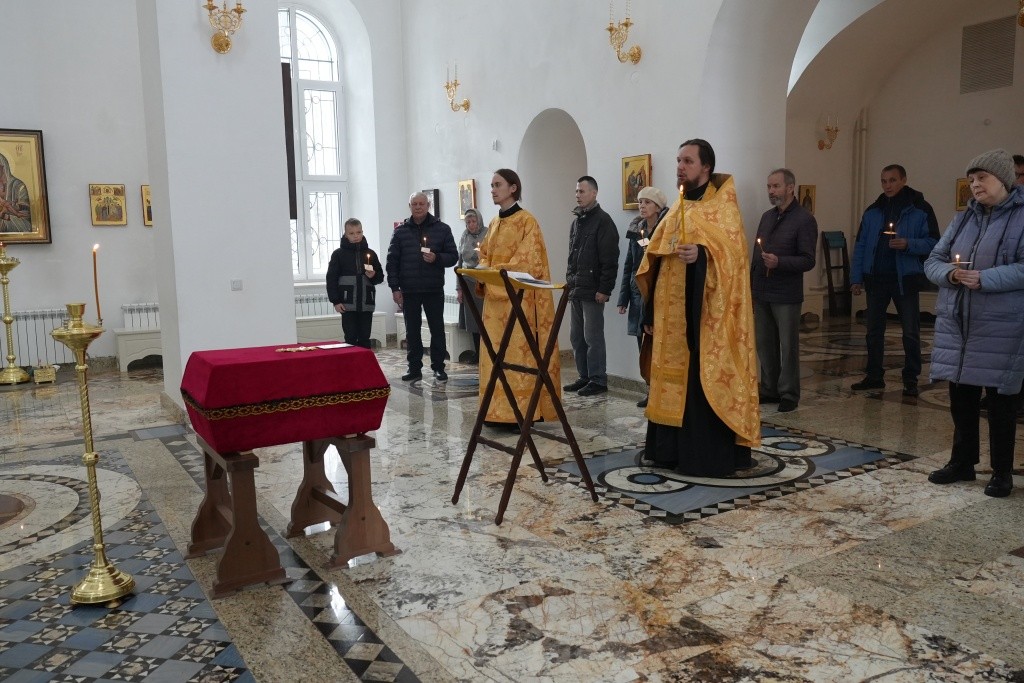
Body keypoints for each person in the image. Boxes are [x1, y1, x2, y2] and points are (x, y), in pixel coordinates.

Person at [635, 139, 760, 476]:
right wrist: (649, 312)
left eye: (688, 161)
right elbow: (657, 258)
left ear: (706, 167)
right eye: (678, 160)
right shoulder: (679, 205)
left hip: (705, 319)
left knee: (698, 382)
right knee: (670, 382)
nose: (680, 166)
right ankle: (667, 452)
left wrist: (702, 255)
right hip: (670, 319)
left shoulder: (722, 207)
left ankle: (702, 456)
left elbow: (734, 261)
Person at [924, 149, 1024, 498]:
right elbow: (933, 260)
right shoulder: (963, 219)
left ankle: (1001, 472)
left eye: (982, 177)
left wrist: (985, 278)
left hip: (1001, 326)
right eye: (971, 179)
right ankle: (962, 463)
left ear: (1004, 180)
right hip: (959, 325)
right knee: (961, 399)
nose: (975, 184)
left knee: (1000, 404)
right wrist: (951, 274)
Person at [477, 169, 561, 428]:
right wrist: (484, 269)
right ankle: (495, 410)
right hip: (494, 305)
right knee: (494, 355)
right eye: (492, 185)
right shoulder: (494, 223)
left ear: (513, 188)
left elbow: (528, 263)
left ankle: (520, 412)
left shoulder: (527, 221)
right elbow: (484, 255)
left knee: (517, 355)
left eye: (498, 185)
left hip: (519, 302)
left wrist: (492, 272)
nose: (492, 190)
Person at [850, 164, 939, 396]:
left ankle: (910, 378)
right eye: (883, 181)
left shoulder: (920, 208)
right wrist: (856, 277)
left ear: (903, 180)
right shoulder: (873, 211)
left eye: (892, 180)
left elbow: (934, 243)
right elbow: (861, 246)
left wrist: (909, 244)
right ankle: (874, 376)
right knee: (873, 331)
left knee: (910, 331)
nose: (887, 185)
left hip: (904, 279)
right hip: (876, 279)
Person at [751, 169, 818, 413]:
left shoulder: (804, 219)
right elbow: (756, 256)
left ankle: (789, 393)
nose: (771, 191)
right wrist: (751, 287)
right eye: (769, 187)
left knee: (788, 346)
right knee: (764, 343)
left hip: (786, 294)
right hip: (763, 291)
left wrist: (780, 262)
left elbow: (808, 260)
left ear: (790, 187)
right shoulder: (767, 217)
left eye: (776, 186)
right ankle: (769, 389)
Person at [386, 191, 458, 382]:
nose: (418, 207)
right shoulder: (400, 232)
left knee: (437, 329)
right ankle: (414, 368)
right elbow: (392, 261)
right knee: (412, 331)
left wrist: (437, 257)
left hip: (433, 288)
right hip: (409, 289)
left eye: (421, 204)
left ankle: (438, 367)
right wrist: (395, 288)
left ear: (428, 206)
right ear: (409, 206)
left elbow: (453, 256)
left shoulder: (442, 229)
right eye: (414, 204)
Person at [563, 176, 619, 396]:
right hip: (577, 288)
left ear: (594, 193)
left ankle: (598, 379)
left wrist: (605, 289)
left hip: (594, 290)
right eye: (576, 191)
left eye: (582, 191)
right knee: (576, 336)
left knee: (592, 337)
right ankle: (584, 376)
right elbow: (572, 257)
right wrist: (570, 281)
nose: (578, 195)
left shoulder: (603, 221)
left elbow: (610, 258)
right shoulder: (577, 222)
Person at [618, 186, 667, 408]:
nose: (642, 206)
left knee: (657, 345)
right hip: (638, 294)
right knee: (642, 345)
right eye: (640, 202)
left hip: (656, 295)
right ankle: (650, 389)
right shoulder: (637, 231)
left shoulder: (664, 229)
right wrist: (623, 299)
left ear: (658, 207)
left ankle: (662, 391)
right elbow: (630, 265)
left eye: (647, 202)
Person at [326, 218, 385, 348]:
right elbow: (331, 279)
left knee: (365, 337)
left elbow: (380, 277)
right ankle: (350, 361)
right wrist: (335, 301)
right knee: (350, 337)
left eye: (358, 232)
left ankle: (364, 361)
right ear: (345, 234)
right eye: (351, 233)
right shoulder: (338, 254)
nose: (355, 236)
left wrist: (373, 275)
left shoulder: (371, 254)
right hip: (347, 304)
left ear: (362, 232)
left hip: (366, 303)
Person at [456, 207, 488, 358]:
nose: (471, 225)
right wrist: (459, 288)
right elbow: (460, 262)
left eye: (473, 221)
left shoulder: (487, 233)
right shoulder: (465, 236)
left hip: (483, 281)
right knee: (472, 319)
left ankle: (487, 352)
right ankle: (477, 352)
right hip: (467, 281)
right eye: (468, 222)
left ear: (479, 221)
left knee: (484, 318)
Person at [0, 153, 32, 233]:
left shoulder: (18, 186)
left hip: (16, 227)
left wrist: (9, 213)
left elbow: (26, 218)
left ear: (3, 167)